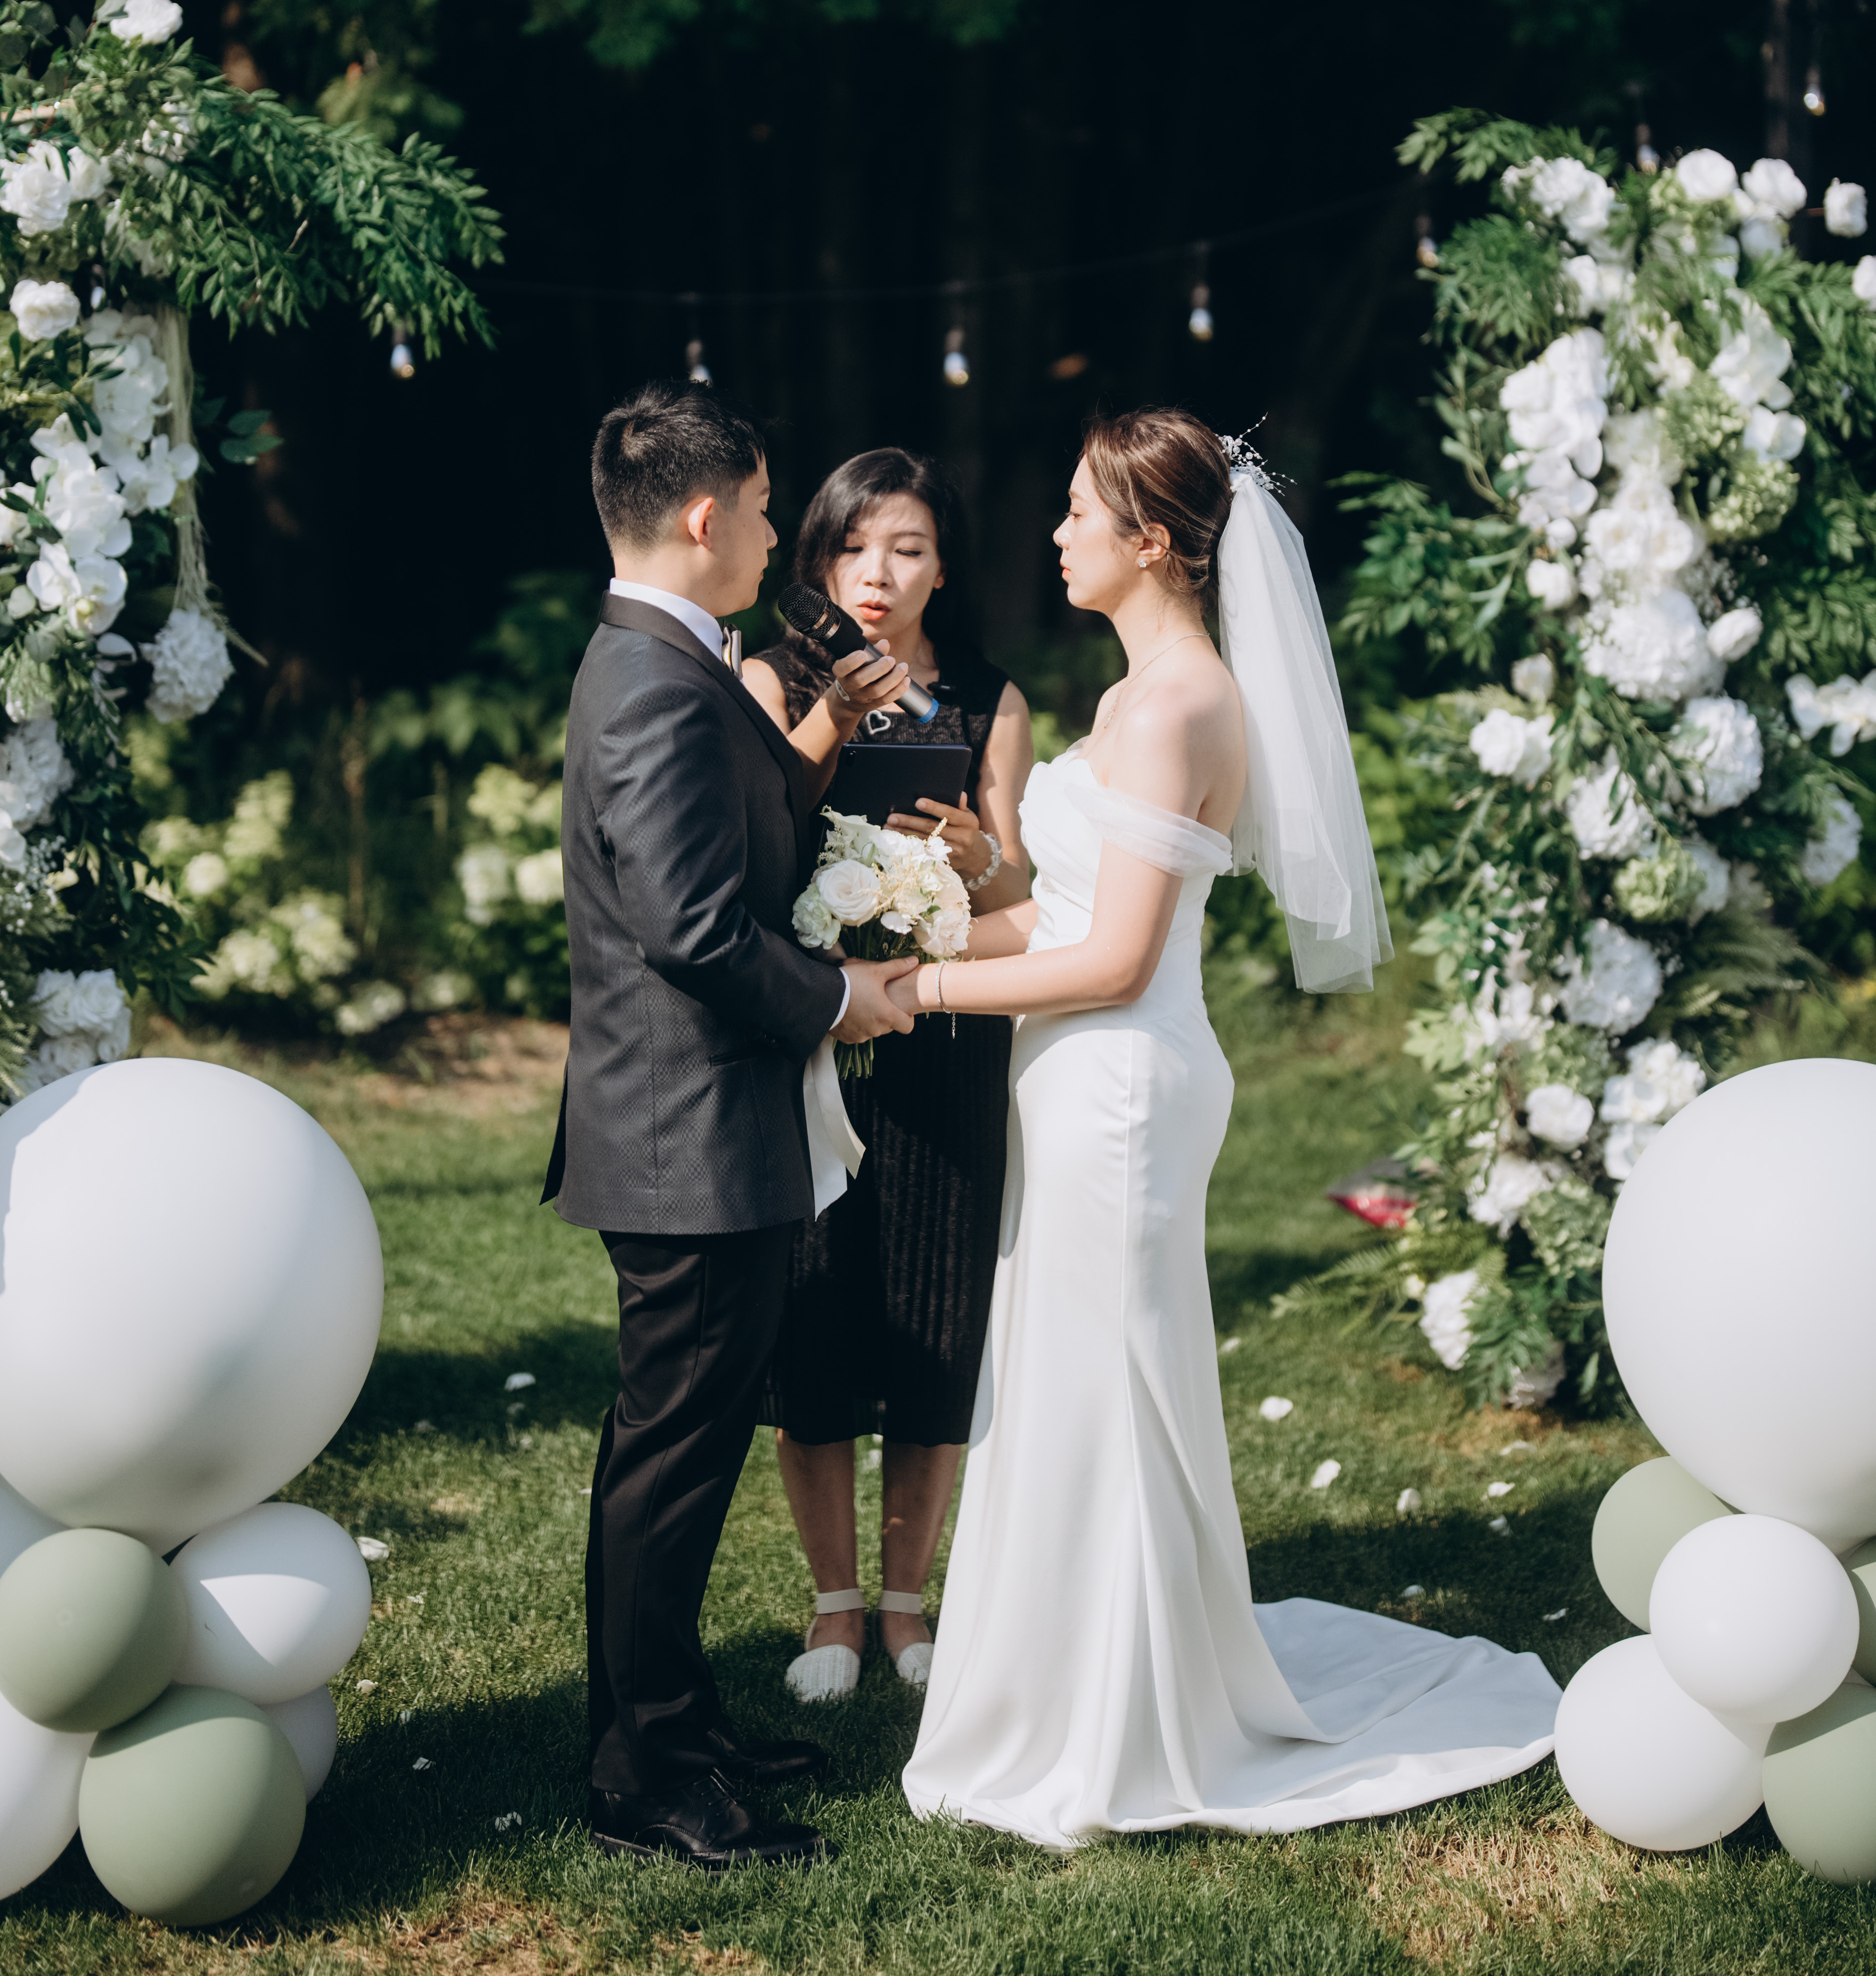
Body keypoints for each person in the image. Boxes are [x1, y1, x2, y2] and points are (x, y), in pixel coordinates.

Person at [898, 408, 1560, 1847]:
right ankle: (1076, 1677)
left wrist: (917, 993)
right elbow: (1059, 912)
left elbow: (1114, 960)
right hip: (1080, 1077)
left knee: (1112, 1387)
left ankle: (1123, 1714)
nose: (1055, 533)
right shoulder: (1136, 692)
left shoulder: (1177, 704)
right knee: (1074, 1374)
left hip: (1123, 1087)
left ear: (1151, 541)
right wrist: (905, 931)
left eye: (1079, 512)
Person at [544, 381, 920, 1871]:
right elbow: (693, 929)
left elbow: (741, 837)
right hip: (683, 1142)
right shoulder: (649, 680)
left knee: (674, 1457)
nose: (775, 538)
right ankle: (644, 1773)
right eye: (764, 511)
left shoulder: (671, 657)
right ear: (704, 517)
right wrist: (842, 998)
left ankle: (675, 1718)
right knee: (670, 1466)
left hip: (699, 1131)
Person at [744, 450, 1035, 1698]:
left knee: (934, 1311)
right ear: (817, 559)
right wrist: (834, 724)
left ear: (942, 570)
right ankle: (833, 1607)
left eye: (908, 549)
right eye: (855, 547)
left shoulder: (987, 700)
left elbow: (1021, 886)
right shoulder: (770, 679)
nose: (878, 573)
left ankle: (908, 1606)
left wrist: (977, 855)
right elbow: (749, 836)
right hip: (809, 1031)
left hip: (944, 1037)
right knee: (810, 1315)